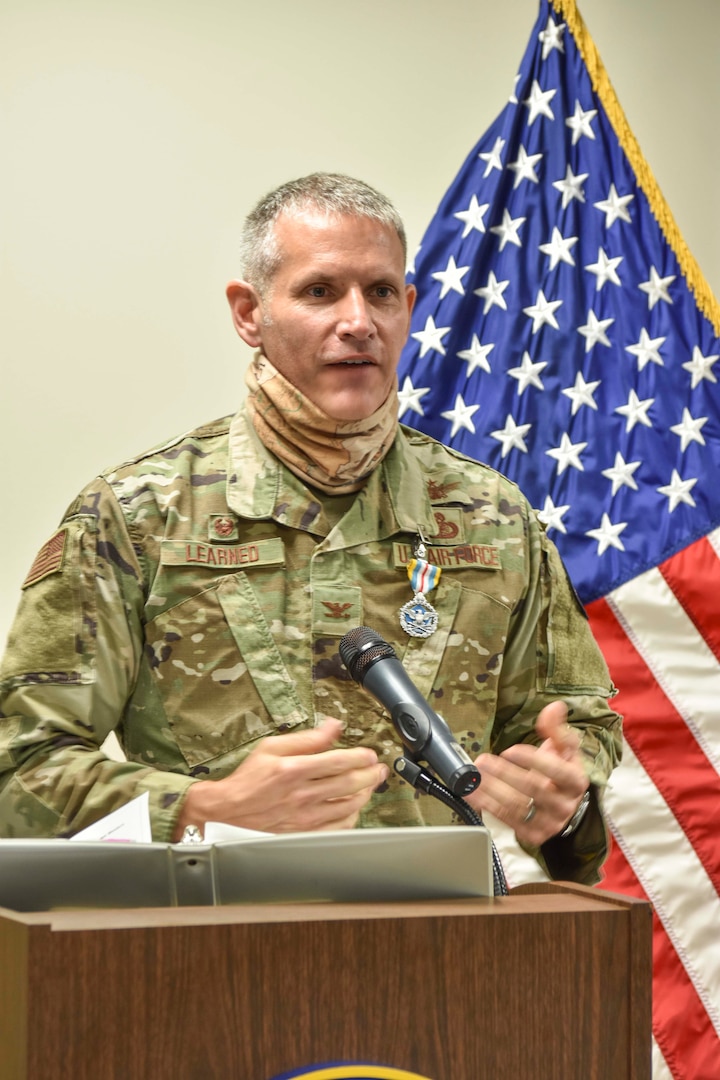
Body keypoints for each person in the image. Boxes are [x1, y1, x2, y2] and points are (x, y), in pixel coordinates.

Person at [0, 173, 621, 883]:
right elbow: (19, 768)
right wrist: (202, 806)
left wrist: (562, 796)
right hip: (208, 956)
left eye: (382, 292)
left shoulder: (494, 514)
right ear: (249, 312)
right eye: (320, 291)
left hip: (448, 960)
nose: (359, 320)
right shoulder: (137, 514)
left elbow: (576, 733)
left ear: (409, 309)